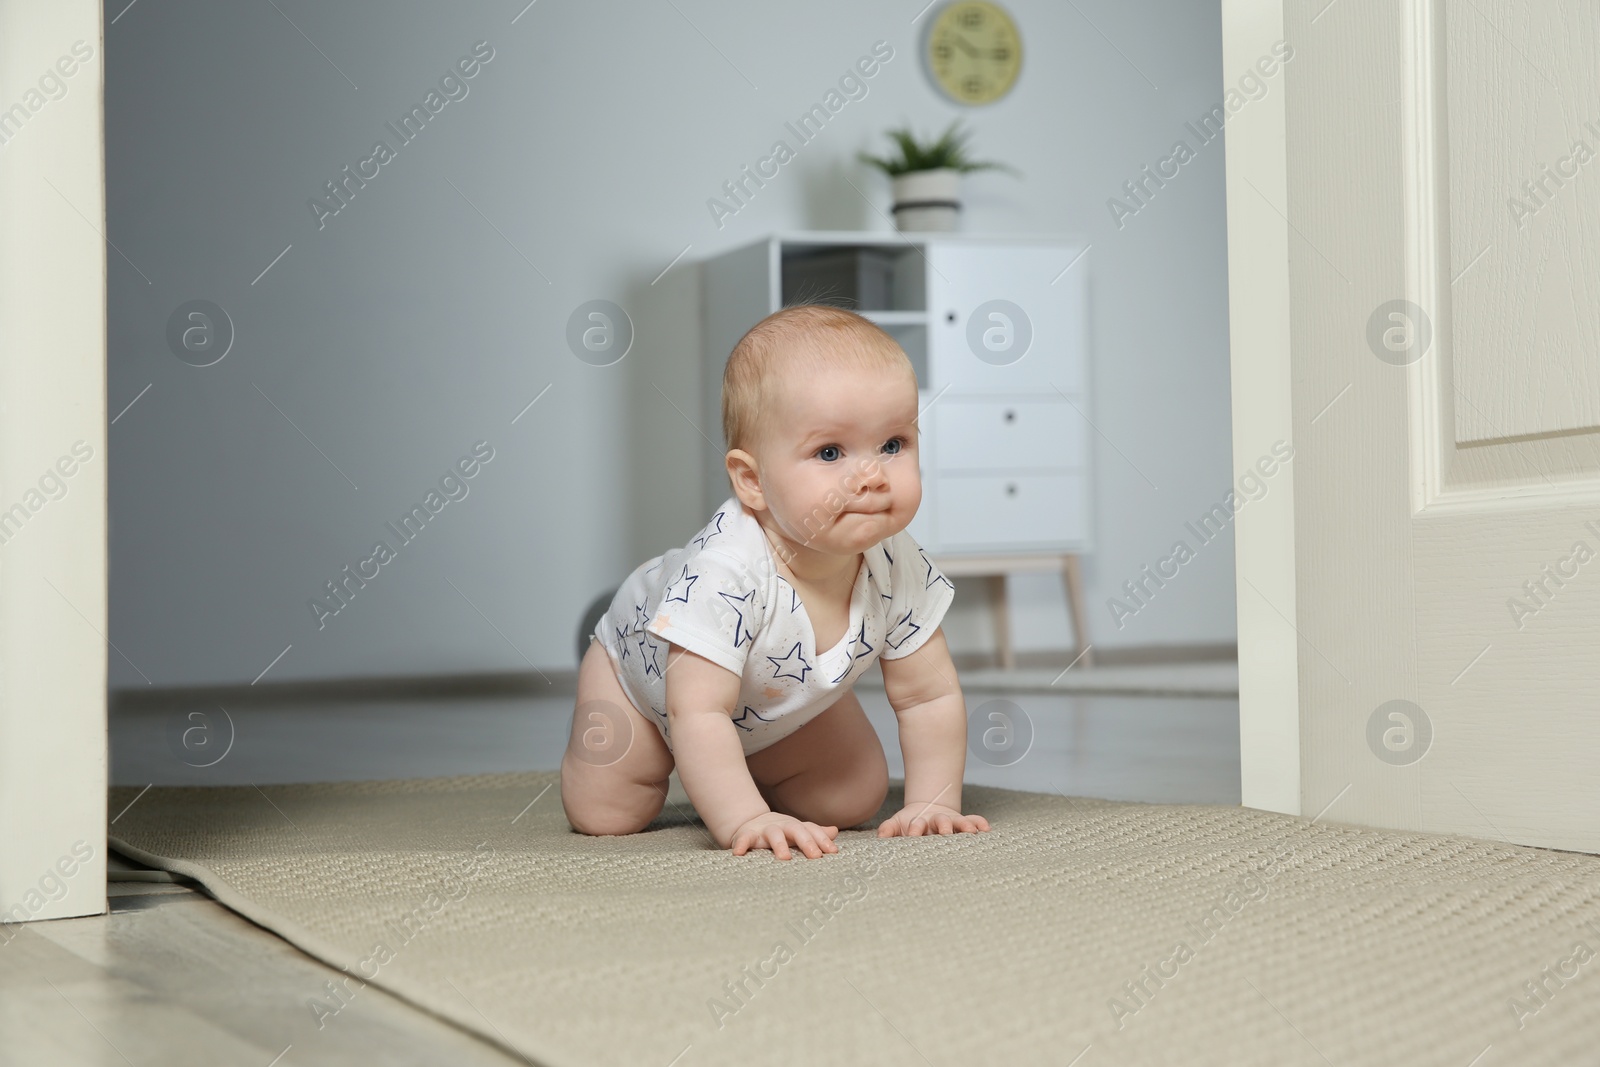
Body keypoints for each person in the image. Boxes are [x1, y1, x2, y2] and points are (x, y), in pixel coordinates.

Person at [560, 304, 990, 859]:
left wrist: (935, 801)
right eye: (830, 452)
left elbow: (929, 694)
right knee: (608, 814)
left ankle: (742, 763)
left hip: (766, 697)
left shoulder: (895, 562)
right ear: (752, 480)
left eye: (893, 444)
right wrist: (746, 820)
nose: (872, 477)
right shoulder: (725, 573)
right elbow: (698, 711)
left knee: (852, 798)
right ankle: (706, 770)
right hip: (647, 684)